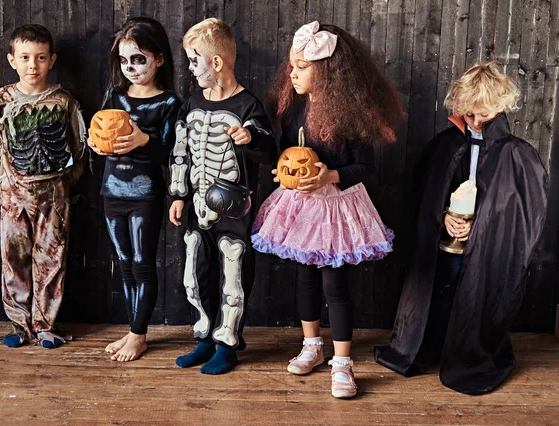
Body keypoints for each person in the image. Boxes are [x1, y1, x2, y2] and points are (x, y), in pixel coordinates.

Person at [374, 62, 548, 395]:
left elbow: (523, 217)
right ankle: (430, 349)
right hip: (447, 246)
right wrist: (443, 217)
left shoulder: (517, 155)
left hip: (486, 253)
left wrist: (483, 227)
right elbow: (422, 196)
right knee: (440, 292)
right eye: (469, 115)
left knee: (473, 300)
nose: (477, 123)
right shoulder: (446, 144)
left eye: (485, 115)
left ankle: (469, 355)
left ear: (502, 107)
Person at [251, 21, 403, 398]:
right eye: (292, 66)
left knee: (334, 284)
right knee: (304, 277)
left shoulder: (349, 116)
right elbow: (288, 152)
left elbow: (366, 168)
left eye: (300, 67)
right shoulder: (292, 111)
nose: (292, 73)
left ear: (326, 71)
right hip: (301, 206)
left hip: (336, 207)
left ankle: (343, 363)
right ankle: (312, 345)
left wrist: (331, 174)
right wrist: (281, 168)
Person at [168, 18, 276, 375]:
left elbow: (268, 149)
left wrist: (251, 138)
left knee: (233, 270)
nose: (190, 68)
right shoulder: (192, 102)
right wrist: (178, 194)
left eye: (194, 60)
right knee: (195, 271)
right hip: (196, 203)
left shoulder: (248, 105)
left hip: (233, 207)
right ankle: (204, 336)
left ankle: (227, 343)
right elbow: (180, 149)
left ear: (216, 62)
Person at [0, 24, 87, 349]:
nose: (33, 65)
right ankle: (19, 325)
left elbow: (79, 147)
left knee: (51, 260)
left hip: (54, 197)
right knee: (14, 258)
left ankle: (45, 326)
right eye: (25, 57)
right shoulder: (0, 100)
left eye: (40, 57)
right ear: (12, 60)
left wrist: (62, 184)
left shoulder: (63, 101)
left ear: (51, 60)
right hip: (14, 195)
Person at [87, 17, 181, 362]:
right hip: (111, 191)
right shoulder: (115, 96)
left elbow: (173, 152)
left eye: (138, 59)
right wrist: (95, 145)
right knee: (124, 263)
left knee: (143, 264)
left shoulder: (168, 103)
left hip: (145, 194)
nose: (130, 68)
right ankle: (132, 331)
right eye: (125, 61)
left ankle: (138, 335)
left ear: (158, 59)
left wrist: (144, 140)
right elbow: (103, 133)